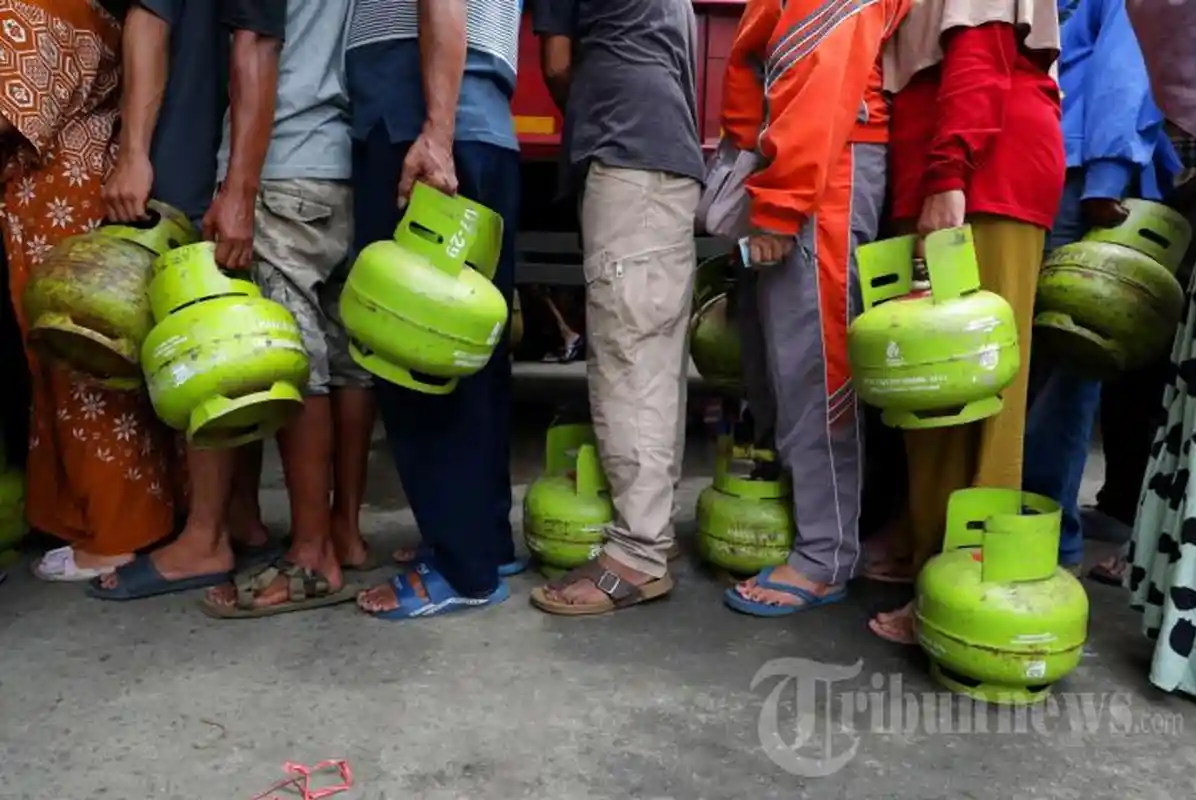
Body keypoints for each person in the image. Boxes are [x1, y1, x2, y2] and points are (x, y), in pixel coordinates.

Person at [697, 0, 907, 617]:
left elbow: (819, 74)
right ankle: (817, 532)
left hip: (825, 171)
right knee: (786, 366)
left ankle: (824, 555)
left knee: (815, 367)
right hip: (811, 163)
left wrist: (781, 204)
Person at [866, 0, 1064, 643]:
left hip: (979, 173)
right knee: (928, 388)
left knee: (976, 395)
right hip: (949, 171)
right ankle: (930, 552)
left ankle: (965, 587)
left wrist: (947, 174)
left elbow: (979, 57)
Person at [89, 0, 287, 599]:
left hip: (199, 161)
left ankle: (204, 539)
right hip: (220, 155)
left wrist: (136, 155)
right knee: (231, 333)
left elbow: (157, 20)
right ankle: (241, 518)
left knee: (205, 344)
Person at [196, 0, 383, 617]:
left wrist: (239, 191)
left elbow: (256, 45)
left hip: (284, 165)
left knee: (293, 357)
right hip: (343, 165)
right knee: (344, 357)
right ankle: (344, 535)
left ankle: (310, 556)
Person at [524, 0, 704, 616]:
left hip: (626, 154)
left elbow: (556, 66)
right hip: (666, 158)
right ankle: (654, 531)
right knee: (654, 355)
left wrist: (592, 122)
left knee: (629, 356)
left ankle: (636, 554)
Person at [350, 0, 523, 619]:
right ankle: (483, 542)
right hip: (475, 127)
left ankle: (461, 567)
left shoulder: (433, 133)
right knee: (470, 353)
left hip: (423, 132)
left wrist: (436, 135)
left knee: (417, 351)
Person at [0, 0, 174, 582]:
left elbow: (12, 115)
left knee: (81, 367)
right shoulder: (91, 6)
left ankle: (115, 533)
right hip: (85, 184)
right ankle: (119, 518)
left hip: (57, 200)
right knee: (102, 362)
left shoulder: (29, 7)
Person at [1020, 0, 1180, 575]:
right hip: (1063, 163)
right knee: (1054, 363)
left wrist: (1107, 176)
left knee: (1063, 361)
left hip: (1083, 171)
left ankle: (1044, 536)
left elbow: (1124, 62)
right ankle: (1044, 524)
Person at [1088, 0, 1196, 587]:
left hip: (1159, 170)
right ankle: (1136, 519)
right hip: (1160, 173)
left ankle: (1153, 541)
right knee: (1145, 352)